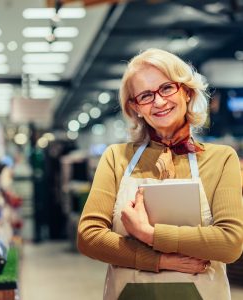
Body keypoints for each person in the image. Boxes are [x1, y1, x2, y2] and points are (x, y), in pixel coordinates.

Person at [77, 48, 243, 300]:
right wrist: (161, 260)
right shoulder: (115, 157)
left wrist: (149, 234)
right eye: (145, 95)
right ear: (135, 107)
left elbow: (230, 243)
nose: (159, 102)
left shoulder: (221, 159)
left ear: (186, 91)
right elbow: (89, 237)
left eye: (166, 88)